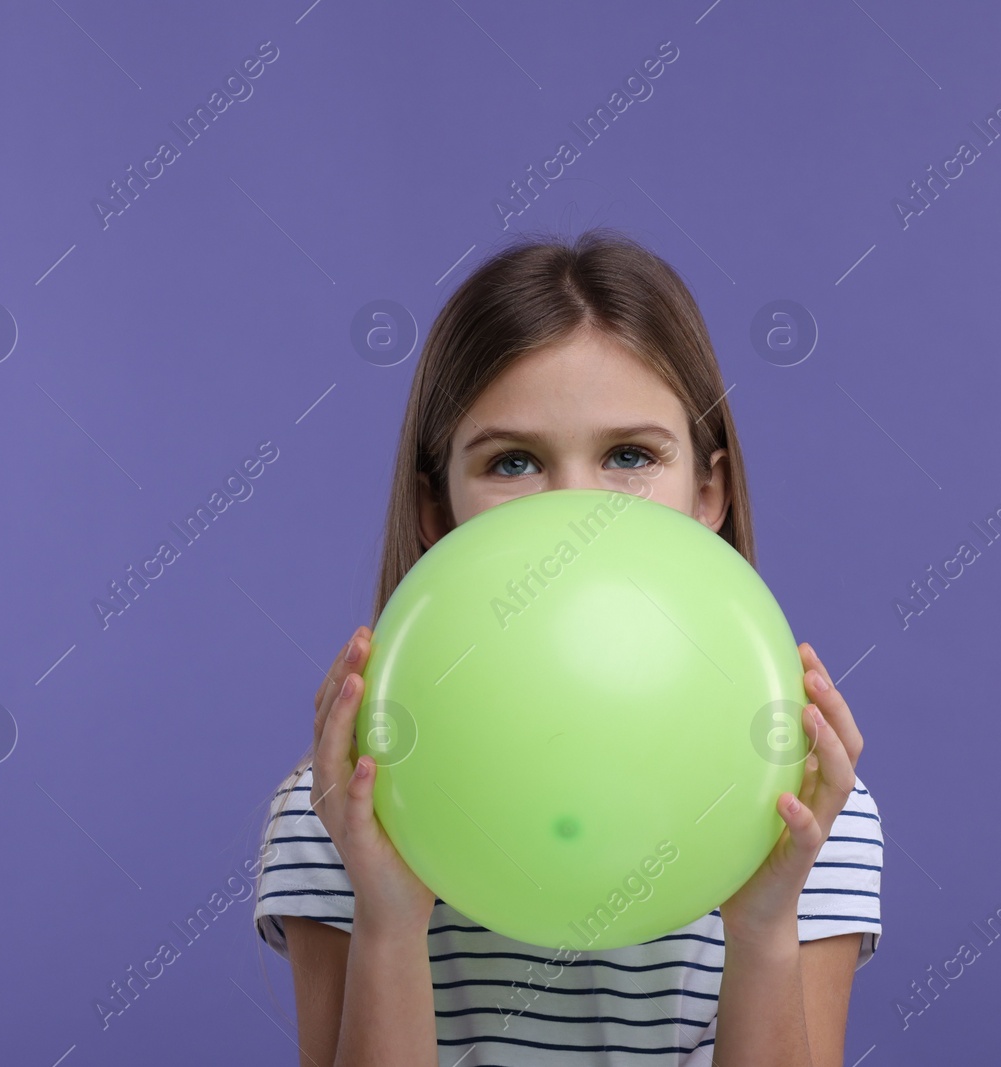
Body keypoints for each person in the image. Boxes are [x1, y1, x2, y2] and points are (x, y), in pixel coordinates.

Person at [253, 228, 883, 1065]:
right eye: (514, 462)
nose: (576, 514)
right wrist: (390, 914)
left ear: (707, 492)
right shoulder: (338, 811)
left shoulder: (809, 813)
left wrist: (766, 925)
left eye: (629, 456)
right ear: (438, 514)